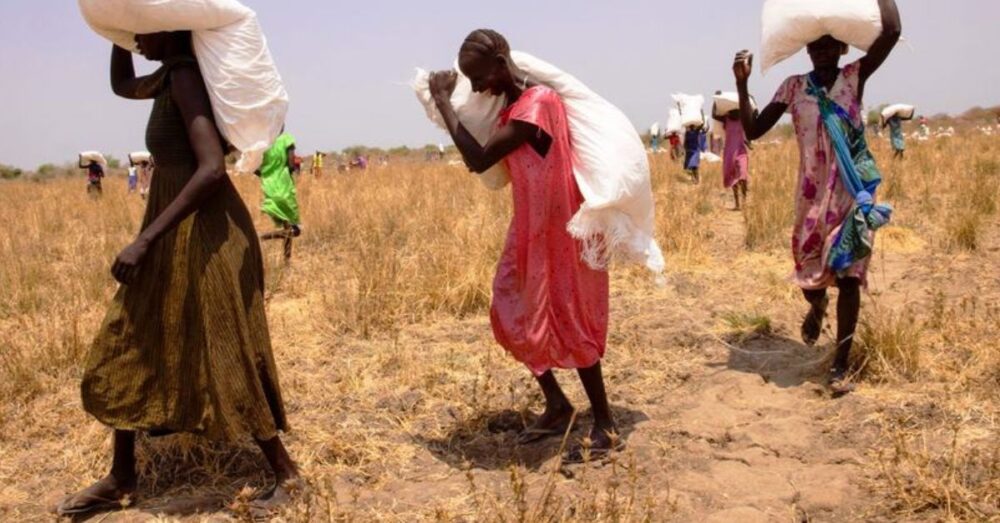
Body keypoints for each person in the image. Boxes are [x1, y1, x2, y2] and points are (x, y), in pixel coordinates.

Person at [57, 32, 298, 516]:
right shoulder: (168, 76)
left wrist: (145, 240)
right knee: (134, 335)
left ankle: (287, 475)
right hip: (174, 230)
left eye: (144, 26)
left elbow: (211, 170)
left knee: (226, 347)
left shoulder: (186, 75)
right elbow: (121, 84)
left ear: (171, 27)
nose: (138, 37)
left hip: (209, 235)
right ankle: (122, 477)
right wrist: (116, 30)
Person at [428, 29, 618, 463]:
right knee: (511, 309)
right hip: (531, 229)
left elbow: (479, 159)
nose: (478, 88)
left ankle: (605, 425)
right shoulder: (513, 109)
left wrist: (443, 101)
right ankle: (557, 404)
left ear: (500, 63)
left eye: (479, 78)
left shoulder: (538, 103)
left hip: (560, 231)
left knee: (569, 317)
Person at [732, 0, 901, 395]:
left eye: (828, 44)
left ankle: (840, 364)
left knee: (849, 277)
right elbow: (753, 130)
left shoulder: (854, 77)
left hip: (850, 193)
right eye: (815, 45)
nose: (821, 50)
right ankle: (816, 304)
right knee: (810, 279)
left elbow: (891, 32)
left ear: (841, 47)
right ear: (807, 49)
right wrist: (741, 84)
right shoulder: (793, 87)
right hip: (810, 196)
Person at [256, 131, 302, 262]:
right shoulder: (287, 139)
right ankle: (260, 237)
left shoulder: (263, 141)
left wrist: (266, 175)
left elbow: (253, 167)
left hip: (269, 187)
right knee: (294, 230)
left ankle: (286, 261)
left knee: (287, 226)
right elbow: (291, 165)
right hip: (284, 186)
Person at [713, 109, 752, 209]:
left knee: (743, 175)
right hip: (730, 152)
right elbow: (714, 115)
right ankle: (737, 203)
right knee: (733, 177)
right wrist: (715, 103)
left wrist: (748, 143)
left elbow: (753, 115)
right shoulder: (726, 120)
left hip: (741, 151)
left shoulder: (742, 119)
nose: (735, 113)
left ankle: (744, 201)